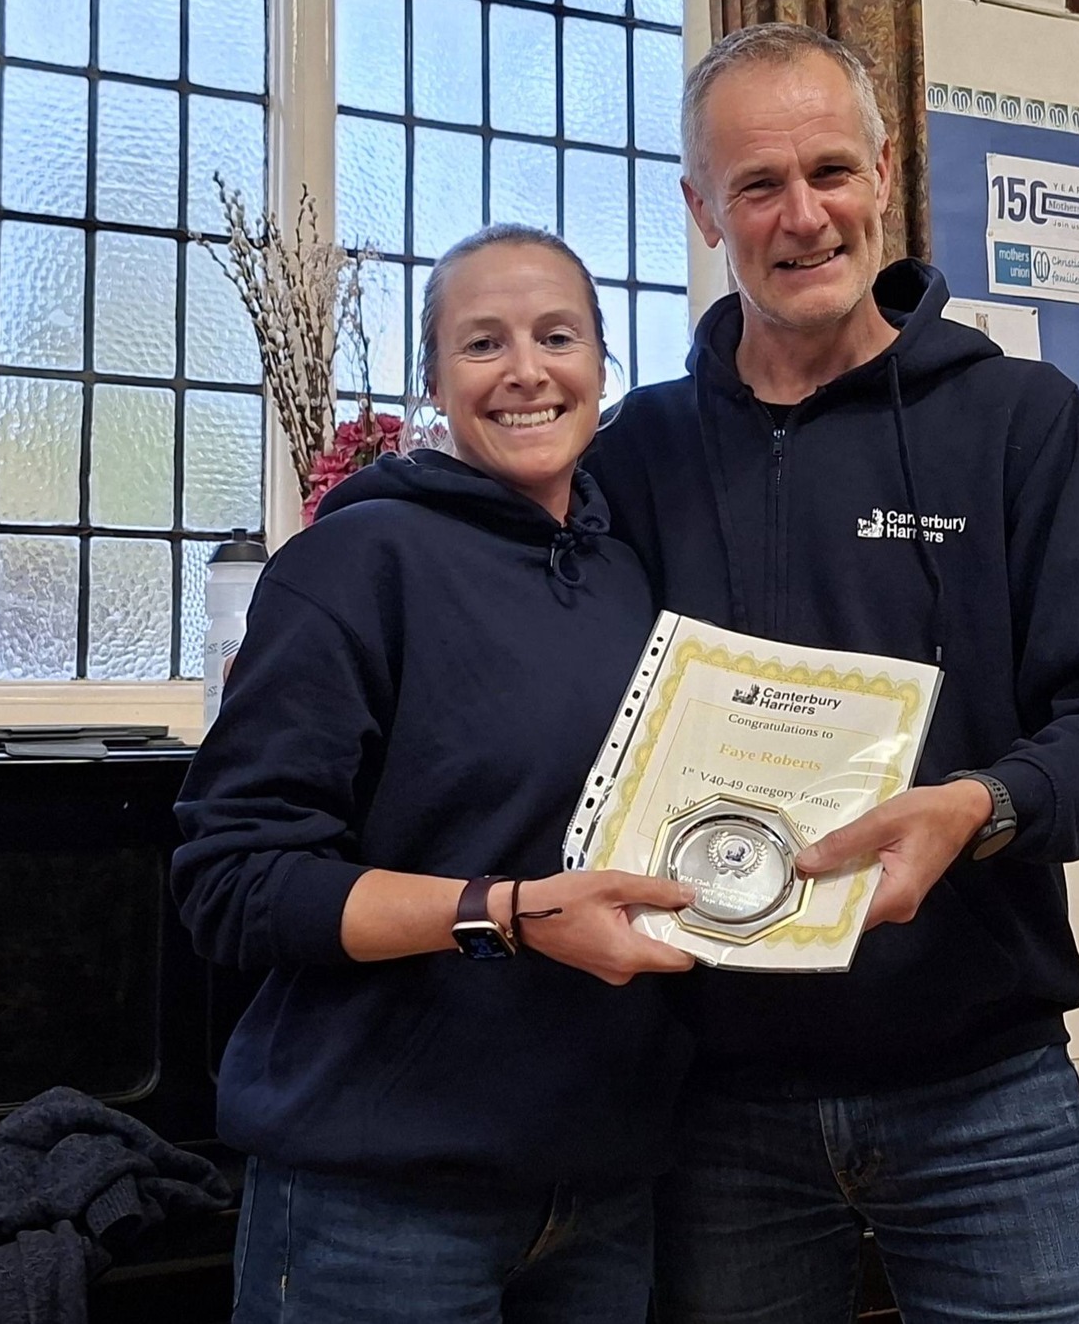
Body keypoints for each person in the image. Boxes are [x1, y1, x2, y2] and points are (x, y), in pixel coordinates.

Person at [585, 23, 1079, 1324]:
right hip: (713, 1100)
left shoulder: (1020, 421)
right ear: (701, 209)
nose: (802, 215)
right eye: (757, 185)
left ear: (882, 172)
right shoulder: (637, 451)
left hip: (985, 1087)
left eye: (829, 171)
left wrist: (981, 805)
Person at [172, 224, 699, 1324]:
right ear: (433, 381)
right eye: (482, 342)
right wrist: (506, 915)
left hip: (606, 1188)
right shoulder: (353, 562)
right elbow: (234, 881)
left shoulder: (631, 578)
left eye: (558, 336)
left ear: (603, 365)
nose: (526, 371)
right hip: (378, 1201)